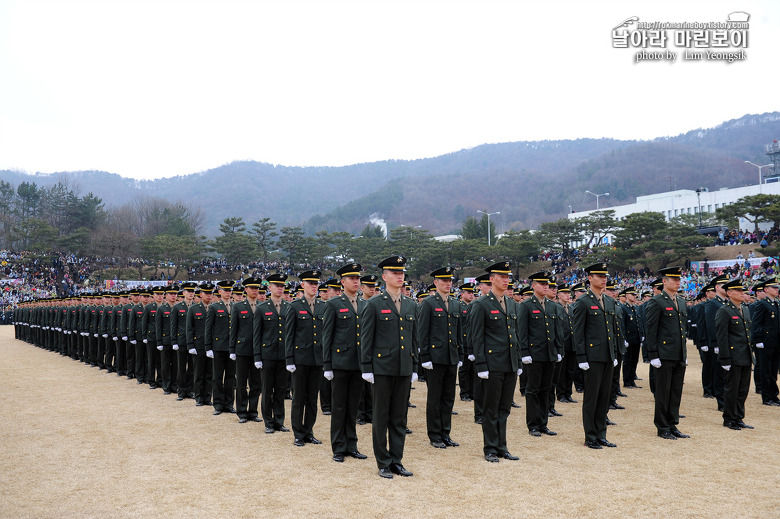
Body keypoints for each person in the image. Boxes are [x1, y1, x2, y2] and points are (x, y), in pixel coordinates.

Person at [360, 255, 419, 479]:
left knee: (399, 417)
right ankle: (383, 461)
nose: (399, 276)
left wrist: (414, 366)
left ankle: (397, 460)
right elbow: (366, 338)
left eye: (402, 272)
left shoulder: (411, 304)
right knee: (381, 416)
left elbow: (414, 339)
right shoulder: (374, 304)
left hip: (403, 368)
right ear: (385, 277)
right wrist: (366, 367)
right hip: (382, 369)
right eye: (395, 273)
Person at [469, 261, 522, 463]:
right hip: (492, 364)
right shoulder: (481, 304)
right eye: (501, 276)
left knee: (504, 408)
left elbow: (515, 336)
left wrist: (517, 362)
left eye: (508, 277)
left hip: (509, 363)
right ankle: (490, 447)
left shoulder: (511, 304)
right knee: (491, 409)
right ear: (491, 280)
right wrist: (481, 365)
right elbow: (477, 337)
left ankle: (502, 446)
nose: (506, 280)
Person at [322, 263, 369, 463]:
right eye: (351, 278)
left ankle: (352, 444)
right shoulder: (333, 304)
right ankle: (338, 447)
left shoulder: (365, 304)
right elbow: (327, 336)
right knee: (339, 407)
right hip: (340, 363)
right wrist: (327, 365)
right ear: (343, 282)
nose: (356, 281)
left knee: (353, 407)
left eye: (357, 278)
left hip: (358, 364)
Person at [572, 262, 620, 449]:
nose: (604, 279)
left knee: (604, 397)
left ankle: (601, 434)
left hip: (607, 356)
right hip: (592, 357)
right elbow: (578, 333)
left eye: (605, 276)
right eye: (599, 276)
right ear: (590, 278)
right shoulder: (583, 302)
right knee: (591, 398)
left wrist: (613, 353)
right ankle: (590, 436)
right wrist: (582, 358)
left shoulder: (608, 301)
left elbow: (611, 331)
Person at [417, 266, 463, 449]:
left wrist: (459, 354)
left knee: (448, 397)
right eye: (444, 280)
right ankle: (435, 434)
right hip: (435, 359)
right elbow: (423, 332)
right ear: (436, 283)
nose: (448, 284)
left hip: (451, 357)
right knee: (435, 398)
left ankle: (446, 433)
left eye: (450, 280)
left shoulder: (455, 304)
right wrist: (425, 356)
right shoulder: (428, 303)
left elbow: (458, 332)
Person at [644, 267, 690, 440]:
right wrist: (653, 354)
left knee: (675, 391)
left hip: (678, 353)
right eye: (673, 279)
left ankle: (672, 424)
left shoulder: (681, 301)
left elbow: (681, 330)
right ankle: (662, 426)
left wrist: (684, 353)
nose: (677, 282)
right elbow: (651, 330)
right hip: (664, 354)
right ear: (664, 281)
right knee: (663, 392)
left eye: (679, 279)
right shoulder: (657, 302)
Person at [518, 271, 562, 438]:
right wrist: (524, 353)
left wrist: (558, 350)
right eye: (542, 284)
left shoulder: (552, 306)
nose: (546, 287)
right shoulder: (526, 306)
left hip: (549, 354)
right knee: (533, 390)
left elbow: (556, 332)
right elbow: (522, 332)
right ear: (533, 286)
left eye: (547, 284)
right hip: (534, 355)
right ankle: (533, 425)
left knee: (547, 389)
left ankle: (543, 424)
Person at [285, 269, 326, 446]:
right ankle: (298, 433)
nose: (314, 287)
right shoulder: (294, 306)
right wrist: (289, 359)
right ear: (302, 285)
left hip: (317, 359)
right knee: (299, 398)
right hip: (300, 359)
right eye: (311, 283)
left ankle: (309, 431)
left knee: (312, 399)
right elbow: (289, 335)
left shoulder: (323, 306)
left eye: (316, 284)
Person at [254, 273, 291, 434]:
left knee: (281, 390)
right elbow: (257, 334)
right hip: (267, 354)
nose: (280, 288)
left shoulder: (289, 307)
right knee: (267, 390)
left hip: (283, 355)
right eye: (277, 285)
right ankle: (268, 422)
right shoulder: (262, 308)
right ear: (270, 288)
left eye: (282, 286)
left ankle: (279, 421)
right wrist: (257, 356)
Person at [716, 279, 755, 430]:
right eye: (738, 291)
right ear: (729, 293)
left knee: (743, 389)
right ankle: (729, 418)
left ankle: (739, 417)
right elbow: (722, 336)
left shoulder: (744, 309)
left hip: (745, 355)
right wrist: (725, 358)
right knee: (732, 388)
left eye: (742, 291)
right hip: (733, 356)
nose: (741, 293)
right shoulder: (724, 311)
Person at [230, 277, 263, 423]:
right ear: (246, 290)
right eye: (252, 288)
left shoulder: (263, 306)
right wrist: (232, 349)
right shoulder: (238, 307)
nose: (255, 290)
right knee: (242, 383)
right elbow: (234, 330)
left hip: (259, 351)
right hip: (242, 349)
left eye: (257, 288)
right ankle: (242, 412)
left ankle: (253, 411)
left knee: (256, 383)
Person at [751, 279, 780, 406]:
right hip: (766, 342)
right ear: (766, 290)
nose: (777, 290)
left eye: (777, 288)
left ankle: (774, 395)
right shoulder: (762, 304)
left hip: (776, 342)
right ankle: (767, 396)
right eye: (774, 288)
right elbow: (756, 323)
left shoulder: (776, 303)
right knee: (766, 370)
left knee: (773, 370)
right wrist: (758, 340)